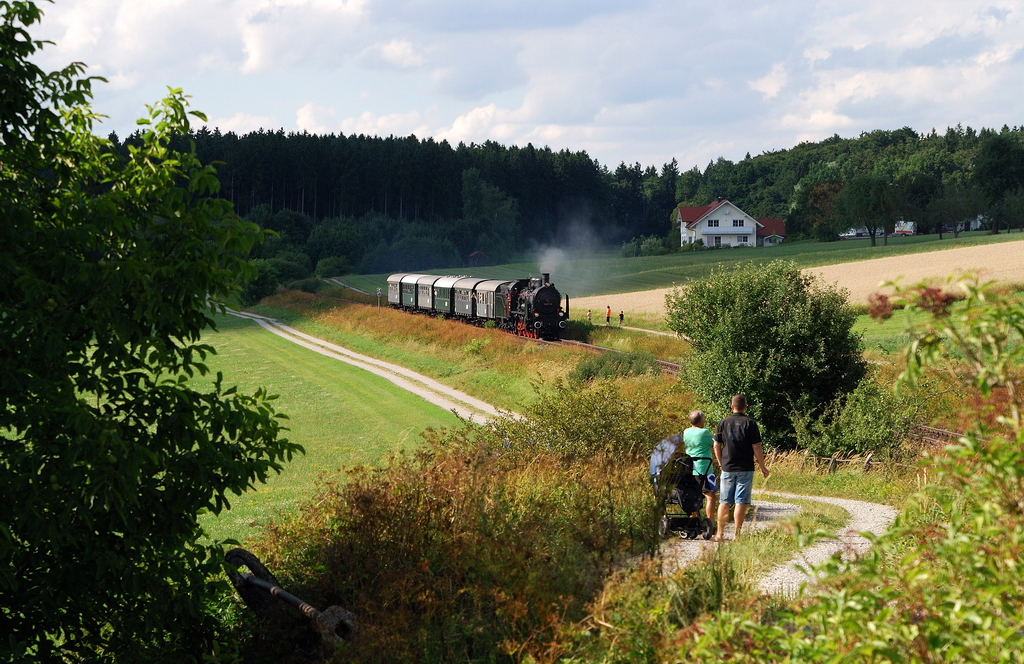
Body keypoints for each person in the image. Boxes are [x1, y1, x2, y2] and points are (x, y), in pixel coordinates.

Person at [713, 394, 770, 541]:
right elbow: (756, 447)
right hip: (745, 467)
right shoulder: (750, 424)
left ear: (732, 407)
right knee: (740, 501)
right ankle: (736, 535)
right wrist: (763, 466)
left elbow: (716, 445)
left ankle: (719, 533)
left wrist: (720, 462)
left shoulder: (723, 423)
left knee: (724, 501)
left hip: (727, 466)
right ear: (745, 407)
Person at [683, 410, 718, 527]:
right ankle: (710, 523)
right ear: (701, 420)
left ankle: (692, 520)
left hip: (690, 468)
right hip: (705, 468)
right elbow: (716, 442)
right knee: (710, 495)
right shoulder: (705, 432)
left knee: (693, 495)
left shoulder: (686, 432)